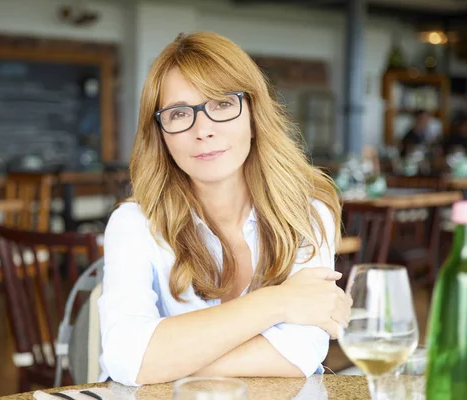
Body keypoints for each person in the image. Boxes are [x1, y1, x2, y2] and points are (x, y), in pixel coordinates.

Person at [98, 31, 351, 386]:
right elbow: (126, 358)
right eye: (179, 113)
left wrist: (160, 362)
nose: (203, 130)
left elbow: (300, 352)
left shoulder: (306, 212)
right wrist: (277, 303)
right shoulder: (134, 223)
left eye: (221, 104)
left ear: (253, 114)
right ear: (161, 133)